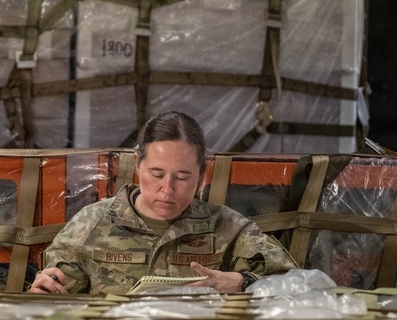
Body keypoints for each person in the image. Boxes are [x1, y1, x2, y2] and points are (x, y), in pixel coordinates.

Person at [29, 111, 298, 294]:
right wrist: (43, 289)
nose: (167, 189)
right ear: (138, 165)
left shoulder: (227, 228)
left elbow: (297, 285)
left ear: (202, 174)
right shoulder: (91, 225)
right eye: (156, 174)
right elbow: (55, 296)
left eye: (182, 177)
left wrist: (240, 282)